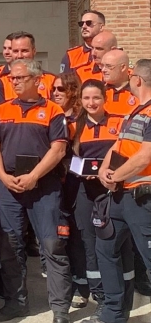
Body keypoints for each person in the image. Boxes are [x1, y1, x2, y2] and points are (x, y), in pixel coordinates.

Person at [0, 59, 71, 323]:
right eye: (12, 78)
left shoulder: (53, 110)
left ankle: (59, 310)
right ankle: (16, 304)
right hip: (9, 186)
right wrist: (3, 177)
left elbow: (58, 149)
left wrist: (34, 176)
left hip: (43, 186)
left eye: (20, 78)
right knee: (10, 247)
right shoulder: (1, 110)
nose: (14, 82)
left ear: (37, 81)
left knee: (52, 245)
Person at [95, 57, 151, 323]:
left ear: (137, 79)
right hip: (119, 196)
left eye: (131, 75)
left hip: (142, 198)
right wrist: (104, 171)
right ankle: (113, 314)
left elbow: (144, 157)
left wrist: (115, 175)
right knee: (106, 250)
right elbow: (118, 146)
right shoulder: (135, 112)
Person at [65, 80, 123, 314]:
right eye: (87, 98)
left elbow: (125, 151)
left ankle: (118, 293)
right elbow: (68, 158)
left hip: (113, 188)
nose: (91, 103)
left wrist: (110, 173)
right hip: (85, 190)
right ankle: (98, 294)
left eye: (96, 98)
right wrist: (81, 171)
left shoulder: (118, 122)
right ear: (81, 100)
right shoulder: (74, 127)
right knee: (88, 243)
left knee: (115, 242)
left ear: (104, 98)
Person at [0, 32, 57, 105]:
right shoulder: (1, 81)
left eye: (24, 51)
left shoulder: (51, 80)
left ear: (34, 51)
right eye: (15, 51)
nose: (19, 56)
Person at [100, 49, 138, 116]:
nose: (103, 70)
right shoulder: (99, 90)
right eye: (102, 66)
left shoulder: (139, 92)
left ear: (123, 67)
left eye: (109, 66)